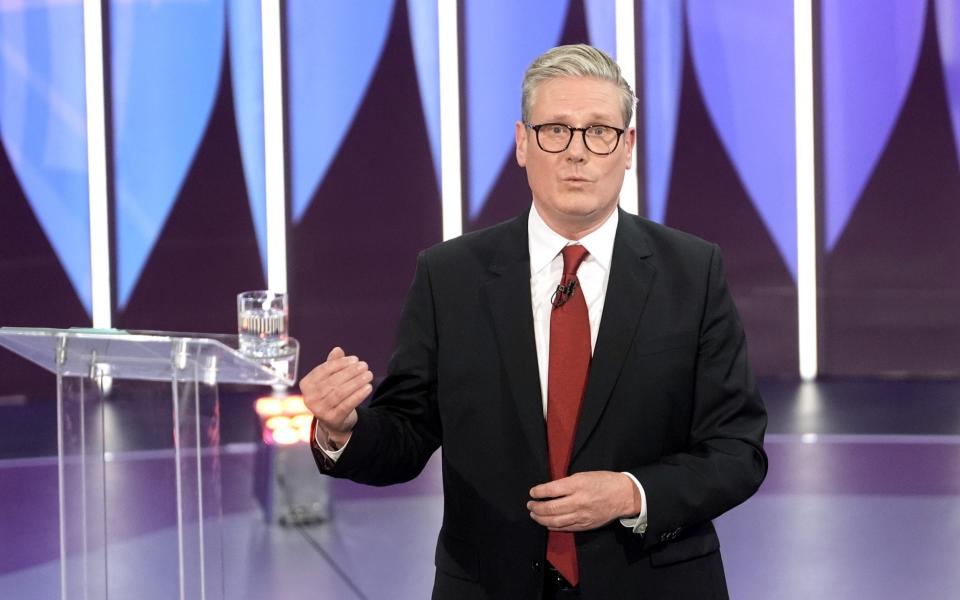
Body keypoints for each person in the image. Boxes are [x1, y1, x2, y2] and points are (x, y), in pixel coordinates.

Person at [301, 44, 767, 600]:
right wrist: (341, 429)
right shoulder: (449, 277)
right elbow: (406, 435)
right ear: (523, 144)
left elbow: (737, 449)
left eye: (600, 131)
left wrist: (630, 493)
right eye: (555, 130)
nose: (578, 152)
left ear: (629, 148)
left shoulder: (693, 273)